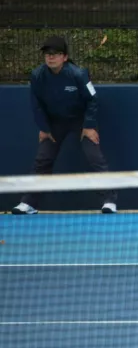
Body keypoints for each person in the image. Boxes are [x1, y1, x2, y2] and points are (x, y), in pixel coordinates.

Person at [11, 36, 117, 215]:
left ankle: (109, 201)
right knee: (42, 160)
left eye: (55, 54)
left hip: (81, 121)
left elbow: (92, 99)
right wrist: (44, 128)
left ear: (65, 57)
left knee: (94, 158)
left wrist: (89, 125)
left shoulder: (78, 73)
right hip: (54, 123)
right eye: (47, 54)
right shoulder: (37, 76)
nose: (50, 57)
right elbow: (36, 104)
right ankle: (29, 203)